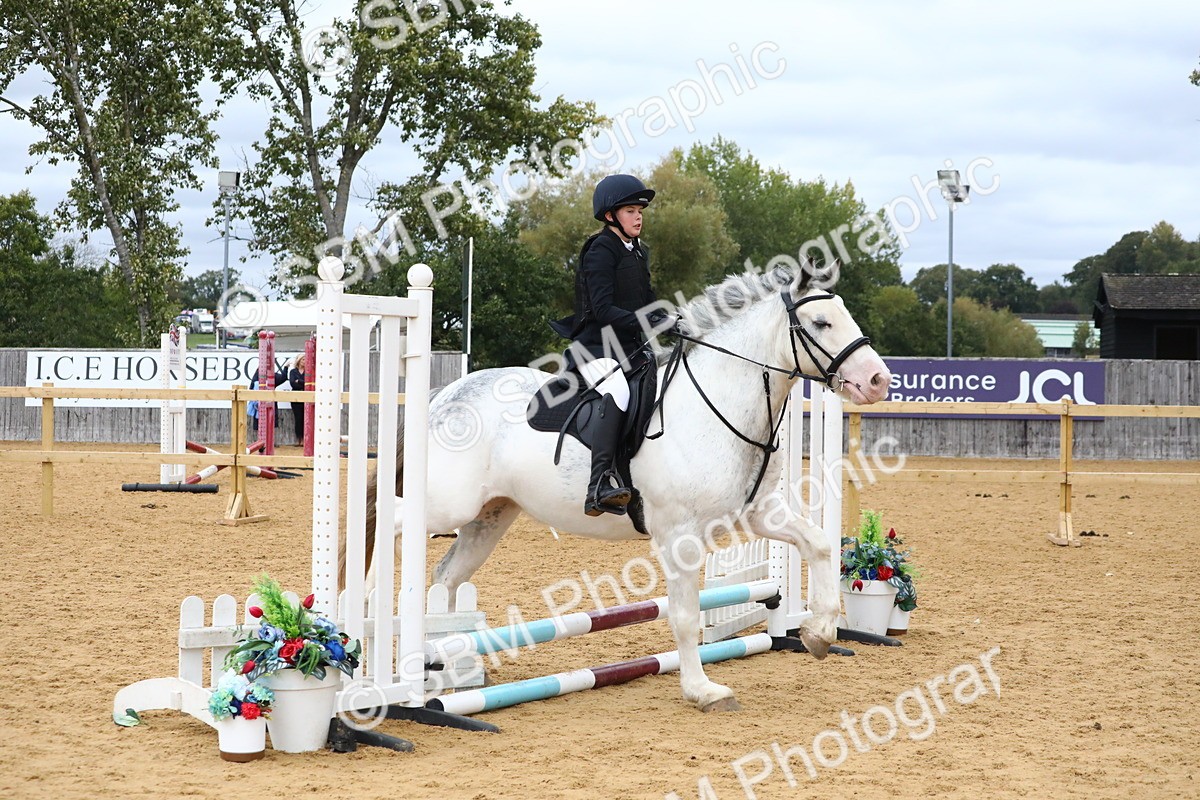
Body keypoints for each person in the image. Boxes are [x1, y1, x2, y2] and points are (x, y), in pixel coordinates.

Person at [550, 174, 667, 517]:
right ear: (610, 215)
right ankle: (598, 484)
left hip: (629, 348)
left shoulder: (638, 251)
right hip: (595, 348)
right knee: (618, 391)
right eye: (630, 211)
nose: (638, 217)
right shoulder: (600, 250)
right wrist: (647, 322)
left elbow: (647, 300)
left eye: (640, 211)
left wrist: (672, 319)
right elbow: (602, 310)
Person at [288, 354, 307, 444]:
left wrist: (299, 381)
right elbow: (292, 384)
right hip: (295, 397)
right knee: (298, 418)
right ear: (299, 361)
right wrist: (302, 383)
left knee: (306, 419)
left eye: (305, 360)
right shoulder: (293, 371)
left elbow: (308, 384)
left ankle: (306, 439)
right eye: (303, 359)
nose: (304, 361)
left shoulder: (309, 371)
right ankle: (299, 439)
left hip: (306, 397)